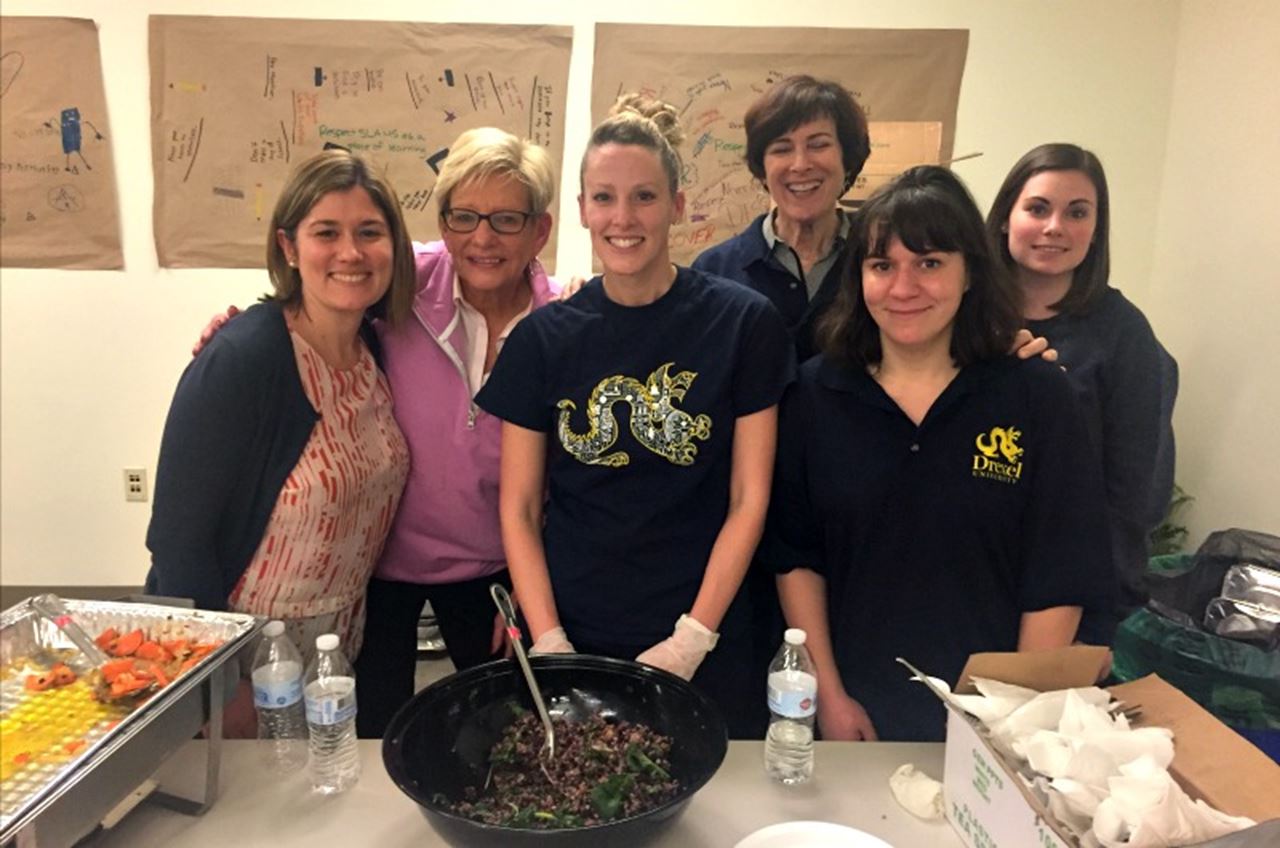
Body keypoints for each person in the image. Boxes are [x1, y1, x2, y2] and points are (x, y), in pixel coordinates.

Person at [475, 94, 795, 738]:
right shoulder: (543, 341)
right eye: (604, 198)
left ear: (677, 205)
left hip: (709, 627)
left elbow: (748, 498)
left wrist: (693, 638)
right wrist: (548, 642)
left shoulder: (742, 323)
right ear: (583, 210)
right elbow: (519, 506)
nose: (623, 218)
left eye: (645, 197)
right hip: (576, 626)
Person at [762, 166, 1115, 743]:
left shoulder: (1036, 394)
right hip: (857, 707)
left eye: (929, 263)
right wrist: (829, 697)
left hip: (996, 716)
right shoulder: (816, 395)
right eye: (882, 266)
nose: (904, 289)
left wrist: (1013, 720)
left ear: (971, 271)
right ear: (860, 278)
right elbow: (798, 558)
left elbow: (1060, 570)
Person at [146, 149, 416, 733]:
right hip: (247, 661)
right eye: (327, 232)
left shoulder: (377, 349)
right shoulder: (244, 360)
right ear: (289, 248)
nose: (351, 252)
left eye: (370, 232)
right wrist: (220, 690)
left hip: (339, 651)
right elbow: (177, 543)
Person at [354, 128, 559, 738]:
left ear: (540, 230)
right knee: (374, 733)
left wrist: (532, 585)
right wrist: (238, 324)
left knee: (502, 732)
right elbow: (307, 307)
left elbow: (568, 473)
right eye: (463, 217)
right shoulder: (397, 283)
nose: (481, 239)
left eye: (505, 219)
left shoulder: (563, 324)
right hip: (381, 563)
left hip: (494, 567)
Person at [986, 143, 1177, 631]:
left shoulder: (1123, 333)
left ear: (1095, 231)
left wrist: (1099, 612)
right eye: (1037, 208)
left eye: (1077, 213)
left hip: (1072, 587)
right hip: (974, 571)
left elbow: (1129, 495)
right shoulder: (964, 316)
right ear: (1006, 217)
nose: (1055, 227)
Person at [691, 75, 870, 363]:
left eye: (818, 144)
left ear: (847, 159)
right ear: (761, 168)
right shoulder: (714, 271)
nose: (800, 165)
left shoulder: (882, 258)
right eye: (782, 149)